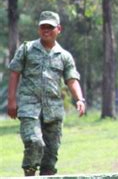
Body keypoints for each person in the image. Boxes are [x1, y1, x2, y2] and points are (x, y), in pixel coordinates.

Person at [7, 11, 85, 177]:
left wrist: (79, 99)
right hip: (30, 107)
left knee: (50, 157)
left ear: (59, 29)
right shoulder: (27, 49)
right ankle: (29, 174)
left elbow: (72, 79)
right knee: (34, 142)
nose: (46, 30)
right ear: (38, 29)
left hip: (53, 110)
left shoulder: (64, 56)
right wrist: (12, 101)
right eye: (43, 27)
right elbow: (14, 73)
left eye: (50, 27)